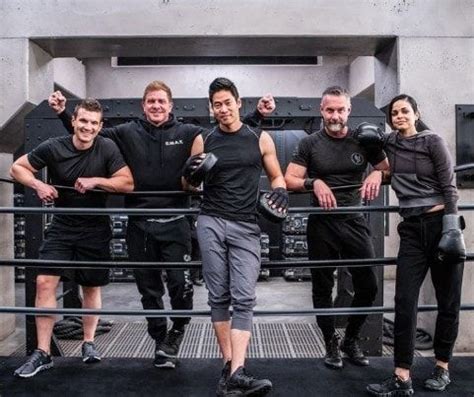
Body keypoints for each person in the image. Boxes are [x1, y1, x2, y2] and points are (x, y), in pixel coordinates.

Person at [48, 83, 275, 368]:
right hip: (139, 224)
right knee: (149, 289)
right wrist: (62, 113)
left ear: (171, 106)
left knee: (181, 285)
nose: (156, 106)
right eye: (151, 102)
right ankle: (159, 340)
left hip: (176, 222)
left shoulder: (188, 133)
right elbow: (88, 133)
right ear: (143, 106)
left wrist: (258, 115)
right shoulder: (126, 133)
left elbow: (229, 131)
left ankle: (177, 329)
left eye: (161, 102)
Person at [11, 99, 134, 378]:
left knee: (90, 286)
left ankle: (88, 343)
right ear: (74, 121)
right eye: (83, 121)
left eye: (93, 123)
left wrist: (96, 181)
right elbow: (17, 167)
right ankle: (43, 352)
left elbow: (127, 182)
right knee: (44, 282)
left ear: (100, 126)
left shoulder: (107, 147)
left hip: (95, 227)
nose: (88, 127)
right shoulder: (54, 147)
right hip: (62, 226)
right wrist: (38, 184)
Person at [183, 77, 288, 397]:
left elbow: (276, 175)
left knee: (244, 296)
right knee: (219, 297)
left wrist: (281, 190)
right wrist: (191, 173)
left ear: (239, 103)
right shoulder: (205, 139)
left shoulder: (259, 137)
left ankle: (236, 371)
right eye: (217, 104)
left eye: (228, 102)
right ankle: (232, 368)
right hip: (211, 221)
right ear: (211, 108)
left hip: (246, 225)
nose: (223, 109)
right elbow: (188, 185)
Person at [284, 86, 389, 370]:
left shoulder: (364, 140)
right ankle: (330, 341)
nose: (335, 115)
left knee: (368, 286)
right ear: (321, 111)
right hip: (322, 224)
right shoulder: (309, 144)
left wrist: (378, 173)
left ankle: (350, 339)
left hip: (354, 221)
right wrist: (313, 182)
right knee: (322, 287)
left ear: (349, 111)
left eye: (340, 110)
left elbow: (388, 168)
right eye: (330, 110)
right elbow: (289, 179)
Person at [367, 94, 465, 396]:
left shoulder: (432, 141)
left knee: (448, 301)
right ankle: (402, 375)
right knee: (404, 301)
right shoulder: (389, 143)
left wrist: (452, 228)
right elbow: (370, 148)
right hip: (411, 229)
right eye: (394, 112)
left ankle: (442, 367)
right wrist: (376, 170)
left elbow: (449, 186)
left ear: (415, 113)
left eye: (404, 111)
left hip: (440, 225)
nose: (399, 116)